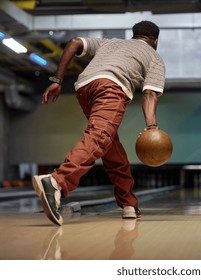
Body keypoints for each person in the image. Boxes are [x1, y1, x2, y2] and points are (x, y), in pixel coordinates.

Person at [32, 20, 166, 226]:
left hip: (85, 87)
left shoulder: (111, 43)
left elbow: (75, 42)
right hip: (111, 88)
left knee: (110, 146)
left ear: (135, 35)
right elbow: (149, 95)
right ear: (155, 40)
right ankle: (56, 182)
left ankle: (128, 203)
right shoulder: (154, 57)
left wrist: (56, 80)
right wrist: (151, 128)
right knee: (100, 137)